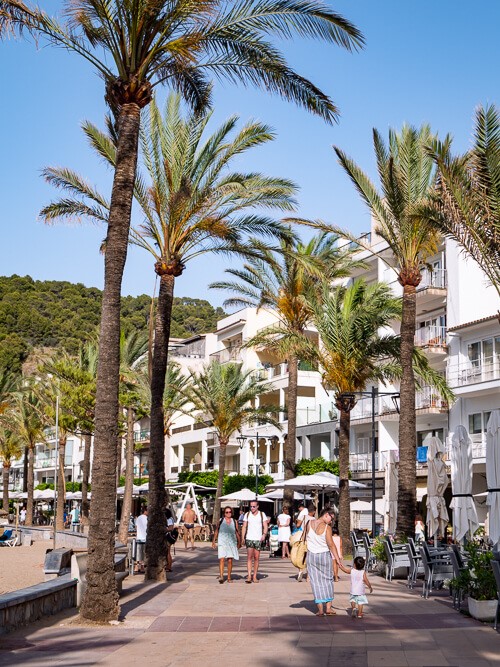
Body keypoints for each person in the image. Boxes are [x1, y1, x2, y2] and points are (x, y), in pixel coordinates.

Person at [305, 506, 347, 616]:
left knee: (315, 581)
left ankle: (320, 610)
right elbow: (331, 545)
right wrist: (337, 559)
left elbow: (306, 538)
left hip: (311, 556)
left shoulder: (309, 523)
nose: (331, 521)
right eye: (331, 518)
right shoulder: (327, 528)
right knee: (328, 580)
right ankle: (328, 608)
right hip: (324, 555)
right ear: (326, 514)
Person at [212, 506, 241, 583]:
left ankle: (229, 577)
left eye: (230, 512)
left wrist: (240, 542)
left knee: (230, 560)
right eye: (226, 512)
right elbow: (217, 530)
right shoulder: (221, 520)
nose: (228, 513)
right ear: (224, 513)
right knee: (221, 559)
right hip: (222, 542)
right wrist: (213, 541)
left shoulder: (234, 521)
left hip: (231, 542)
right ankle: (221, 576)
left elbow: (237, 532)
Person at [241, 500, 268, 583]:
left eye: (254, 506)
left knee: (256, 557)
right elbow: (244, 526)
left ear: (257, 506)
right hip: (249, 538)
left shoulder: (262, 514)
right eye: (251, 506)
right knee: (249, 557)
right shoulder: (247, 514)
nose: (252, 508)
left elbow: (265, 526)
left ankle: (255, 576)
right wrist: (243, 537)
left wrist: (264, 534)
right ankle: (249, 576)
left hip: (258, 539)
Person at [296, 504, 315, 582]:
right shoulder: (314, 519)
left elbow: (297, 525)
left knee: (301, 556)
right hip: (310, 539)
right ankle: (308, 577)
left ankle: (300, 571)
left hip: (302, 538)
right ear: (313, 512)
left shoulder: (303, 516)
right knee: (309, 557)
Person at [134, 506, 148, 574]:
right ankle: (142, 567)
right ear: (145, 511)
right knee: (143, 553)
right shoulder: (147, 518)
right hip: (145, 538)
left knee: (138, 553)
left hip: (139, 537)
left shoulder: (138, 518)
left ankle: (136, 567)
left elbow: (136, 527)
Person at [165, 507, 176, 572]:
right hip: (167, 537)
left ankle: (169, 566)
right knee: (167, 552)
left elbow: (170, 528)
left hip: (168, 537)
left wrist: (163, 529)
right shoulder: (170, 519)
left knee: (168, 552)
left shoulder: (169, 519)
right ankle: (168, 566)